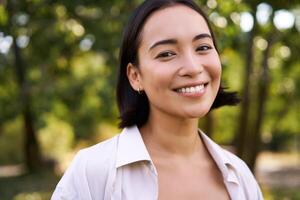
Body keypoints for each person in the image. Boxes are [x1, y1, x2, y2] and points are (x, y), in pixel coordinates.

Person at [52, 0, 264, 199]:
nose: (192, 67)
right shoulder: (92, 172)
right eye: (166, 54)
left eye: (203, 47)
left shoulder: (240, 176)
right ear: (135, 76)